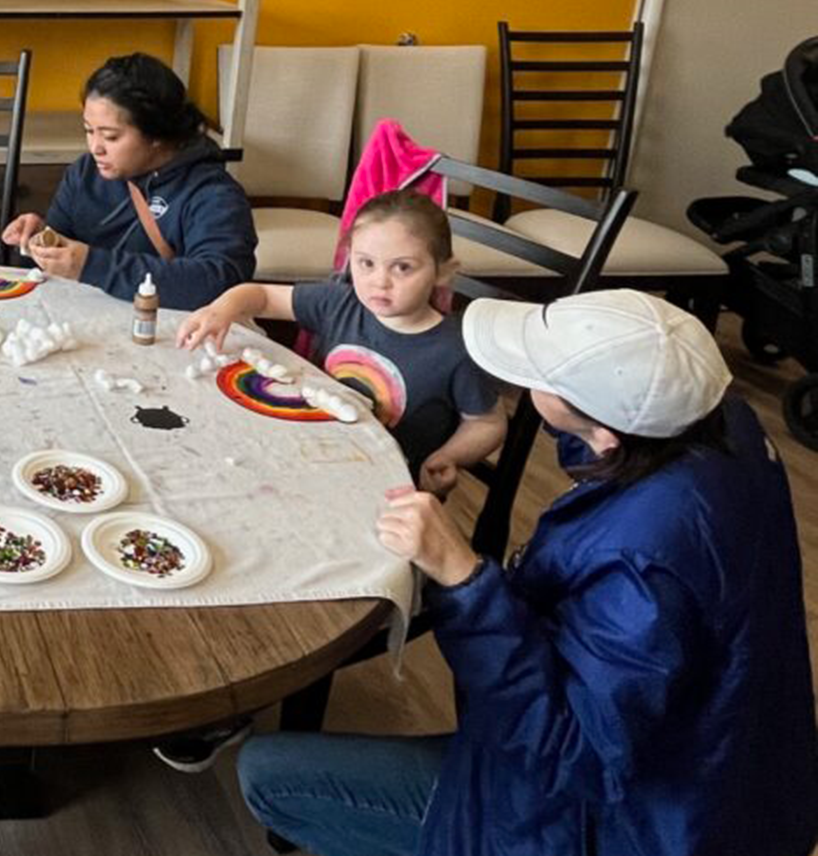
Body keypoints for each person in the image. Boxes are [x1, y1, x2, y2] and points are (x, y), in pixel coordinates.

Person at [238, 290, 818, 856]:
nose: (524, 381)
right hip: (729, 789)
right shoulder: (719, 422)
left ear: (608, 434)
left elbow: (573, 753)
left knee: (268, 775)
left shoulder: (646, 556)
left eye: (540, 376)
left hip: (626, 824)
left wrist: (463, 579)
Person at [177, 190, 505, 488]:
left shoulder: (457, 350)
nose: (380, 282)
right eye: (365, 263)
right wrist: (222, 308)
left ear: (444, 272)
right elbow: (262, 296)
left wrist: (449, 457)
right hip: (309, 455)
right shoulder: (339, 302)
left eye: (403, 268)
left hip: (387, 487)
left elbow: (487, 423)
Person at [2, 52, 256, 307]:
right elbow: (54, 264)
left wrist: (92, 266)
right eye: (89, 131)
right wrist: (38, 240)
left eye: (110, 136)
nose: (95, 147)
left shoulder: (211, 193)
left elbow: (220, 282)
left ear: (156, 134)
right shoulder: (84, 174)